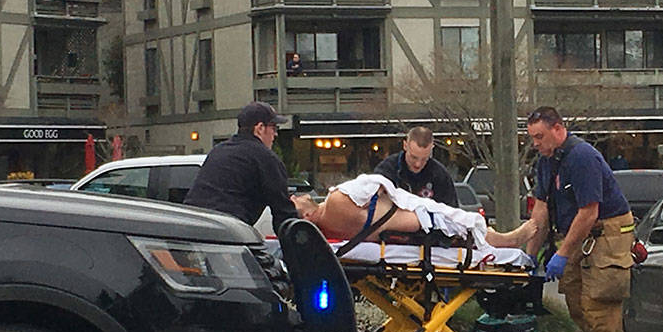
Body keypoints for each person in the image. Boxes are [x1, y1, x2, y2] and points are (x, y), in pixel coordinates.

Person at [520, 106, 634, 332]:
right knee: (577, 305)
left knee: (599, 307)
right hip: (579, 235)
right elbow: (541, 211)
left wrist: (562, 254)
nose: (535, 143)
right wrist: (529, 255)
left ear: (558, 129)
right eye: (532, 137)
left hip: (605, 234)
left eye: (539, 136)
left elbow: (589, 212)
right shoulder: (547, 162)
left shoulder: (582, 158)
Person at [290, 174, 525, 247]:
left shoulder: (330, 231)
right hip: (415, 216)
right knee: (463, 222)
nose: (294, 196)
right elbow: (376, 183)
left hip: (405, 228)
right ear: (307, 216)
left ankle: (502, 239)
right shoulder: (336, 200)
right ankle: (508, 240)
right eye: (294, 202)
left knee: (461, 227)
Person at [184, 101, 297, 230]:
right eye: (274, 128)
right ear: (260, 128)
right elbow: (283, 213)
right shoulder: (266, 158)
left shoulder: (218, 150)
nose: (275, 134)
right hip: (227, 229)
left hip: (191, 224)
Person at [373, 126, 458, 206]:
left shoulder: (440, 175)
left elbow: (451, 211)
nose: (418, 164)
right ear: (405, 145)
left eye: (424, 159)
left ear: (432, 149)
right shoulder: (387, 171)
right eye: (414, 157)